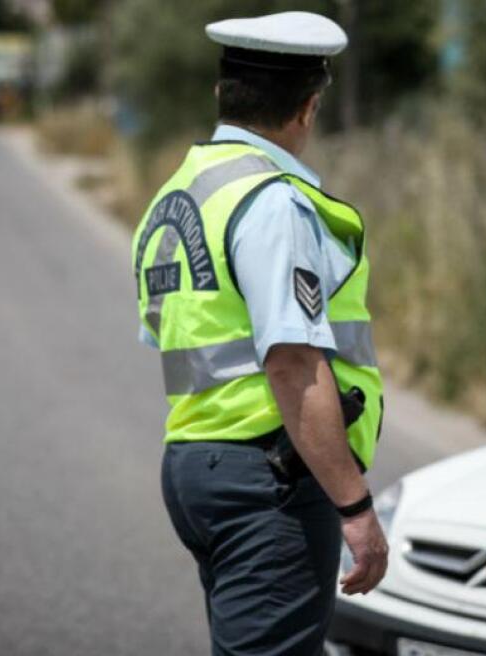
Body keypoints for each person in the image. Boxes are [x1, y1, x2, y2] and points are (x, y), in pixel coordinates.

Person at [130, 11, 388, 656]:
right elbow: (294, 366)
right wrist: (355, 510)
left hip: (194, 464)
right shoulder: (273, 202)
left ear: (223, 94)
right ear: (308, 107)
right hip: (266, 477)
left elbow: (176, 342)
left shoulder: (177, 196)